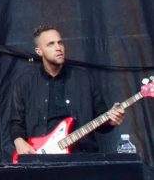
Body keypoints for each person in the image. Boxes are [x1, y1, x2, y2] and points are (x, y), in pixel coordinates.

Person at [10, 25, 125, 156]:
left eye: (60, 42)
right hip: (41, 156)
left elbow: (101, 122)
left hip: (81, 157)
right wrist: (19, 141)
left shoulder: (84, 79)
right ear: (39, 51)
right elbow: (16, 123)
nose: (58, 48)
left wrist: (110, 121)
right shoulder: (25, 83)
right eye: (51, 44)